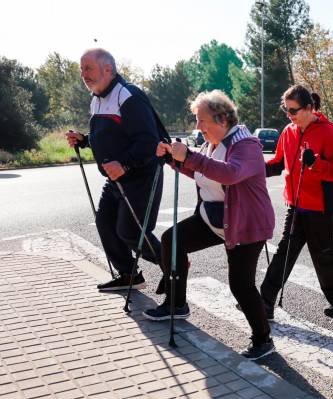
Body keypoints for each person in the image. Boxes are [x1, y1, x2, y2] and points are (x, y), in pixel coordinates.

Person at [144, 90, 276, 359]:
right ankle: (176, 303)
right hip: (214, 218)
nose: (198, 126)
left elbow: (230, 173)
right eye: (196, 120)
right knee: (172, 240)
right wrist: (173, 158)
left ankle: (263, 340)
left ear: (222, 119)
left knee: (241, 285)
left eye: (201, 120)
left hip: (244, 224)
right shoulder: (212, 144)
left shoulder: (246, 144)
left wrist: (189, 156)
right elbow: (201, 170)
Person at [66, 48, 162, 291]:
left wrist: (125, 163)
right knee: (105, 224)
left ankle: (174, 267)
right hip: (116, 179)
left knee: (132, 232)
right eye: (81, 69)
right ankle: (129, 275)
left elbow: (148, 140)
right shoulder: (97, 99)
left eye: (88, 68)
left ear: (108, 69)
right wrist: (85, 140)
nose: (83, 74)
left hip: (141, 175)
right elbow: (111, 136)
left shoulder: (127, 96)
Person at [261, 85, 333, 319]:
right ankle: (265, 301)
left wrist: (315, 163)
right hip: (296, 205)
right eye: (286, 110)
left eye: (293, 110)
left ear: (309, 108)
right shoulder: (288, 131)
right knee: (284, 252)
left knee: (325, 256)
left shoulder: (326, 132)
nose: (289, 115)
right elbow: (279, 163)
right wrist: (256, 170)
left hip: (321, 208)